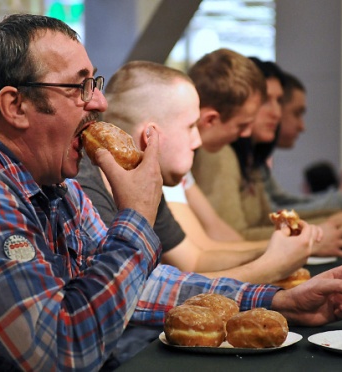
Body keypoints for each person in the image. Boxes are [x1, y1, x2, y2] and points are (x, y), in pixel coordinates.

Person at [0, 15, 342, 371]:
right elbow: (65, 353)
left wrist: (279, 299)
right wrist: (136, 215)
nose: (100, 103)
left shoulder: (49, 179)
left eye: (97, 83)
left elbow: (141, 287)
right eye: (80, 87)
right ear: (16, 105)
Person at [77, 60, 318, 285]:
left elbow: (193, 260)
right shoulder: (85, 190)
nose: (198, 141)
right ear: (150, 136)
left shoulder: (148, 182)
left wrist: (274, 250)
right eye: (191, 126)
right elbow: (135, 291)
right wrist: (272, 266)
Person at [191, 57, 342, 256]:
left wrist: (330, 222)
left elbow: (262, 220)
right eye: (266, 101)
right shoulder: (218, 154)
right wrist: (316, 234)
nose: (277, 113)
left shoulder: (242, 157)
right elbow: (223, 244)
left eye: (278, 101)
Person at [261, 69, 342, 213]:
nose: (276, 113)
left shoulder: (256, 163)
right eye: (297, 113)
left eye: (277, 102)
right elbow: (270, 217)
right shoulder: (230, 156)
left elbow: (283, 206)